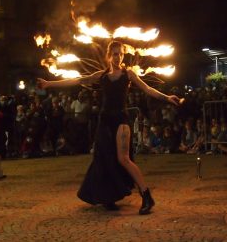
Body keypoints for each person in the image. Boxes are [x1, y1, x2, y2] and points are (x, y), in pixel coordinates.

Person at [37, 41, 180, 215]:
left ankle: (147, 196)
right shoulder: (102, 75)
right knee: (103, 158)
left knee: (124, 159)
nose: (118, 57)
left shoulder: (128, 74)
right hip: (104, 122)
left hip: (121, 120)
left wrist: (166, 98)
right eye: (114, 53)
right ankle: (109, 196)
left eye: (120, 54)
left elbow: (147, 88)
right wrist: (49, 84)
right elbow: (77, 80)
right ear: (109, 55)